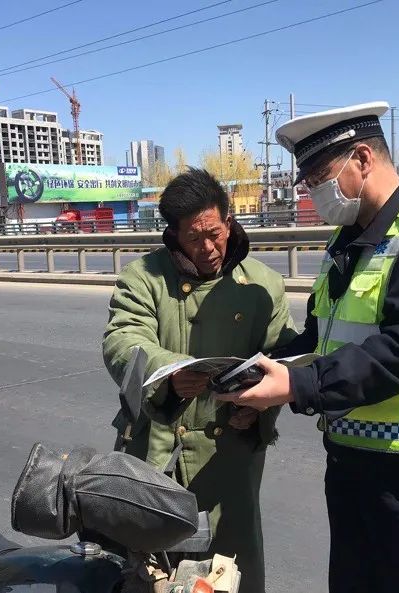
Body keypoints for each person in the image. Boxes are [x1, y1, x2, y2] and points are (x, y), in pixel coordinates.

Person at [217, 102, 399, 593]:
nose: (311, 192)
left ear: (363, 159)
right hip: (351, 465)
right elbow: (321, 336)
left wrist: (298, 385)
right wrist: (262, 372)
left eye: (318, 178)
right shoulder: (347, 240)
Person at [102, 167, 296, 593]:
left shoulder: (263, 285)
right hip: (156, 451)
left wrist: (260, 405)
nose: (208, 248)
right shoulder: (143, 277)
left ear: (228, 220)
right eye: (193, 238)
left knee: (231, 573)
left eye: (215, 233)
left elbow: (282, 357)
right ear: (173, 235)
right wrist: (169, 374)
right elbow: (123, 340)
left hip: (229, 456)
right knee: (152, 574)